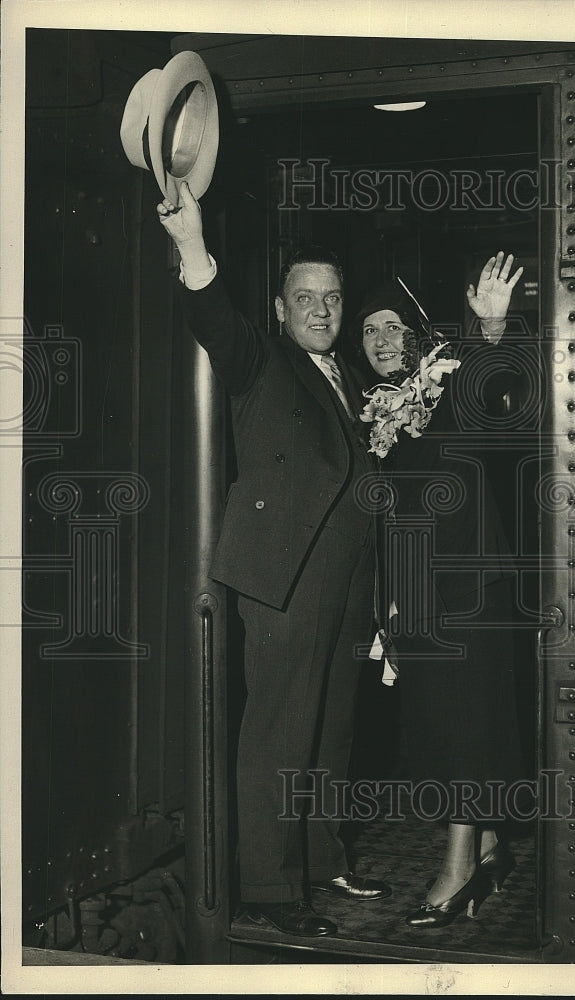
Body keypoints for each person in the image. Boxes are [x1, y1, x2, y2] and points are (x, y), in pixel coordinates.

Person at [157, 181, 391, 938]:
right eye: (305, 298)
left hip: (348, 579)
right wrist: (192, 245)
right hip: (283, 578)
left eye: (331, 298)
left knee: (333, 730)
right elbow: (211, 318)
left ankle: (321, 860)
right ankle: (267, 885)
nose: (321, 311)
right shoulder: (259, 358)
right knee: (281, 732)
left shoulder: (349, 376)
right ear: (281, 308)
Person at [354, 252, 528, 928]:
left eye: (393, 325)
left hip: (466, 585)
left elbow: (486, 395)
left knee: (464, 727)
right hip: (414, 593)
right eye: (368, 330)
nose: (380, 339)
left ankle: (455, 870)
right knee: (435, 725)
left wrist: (487, 331)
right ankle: (483, 845)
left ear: (419, 333)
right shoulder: (373, 413)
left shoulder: (446, 379)